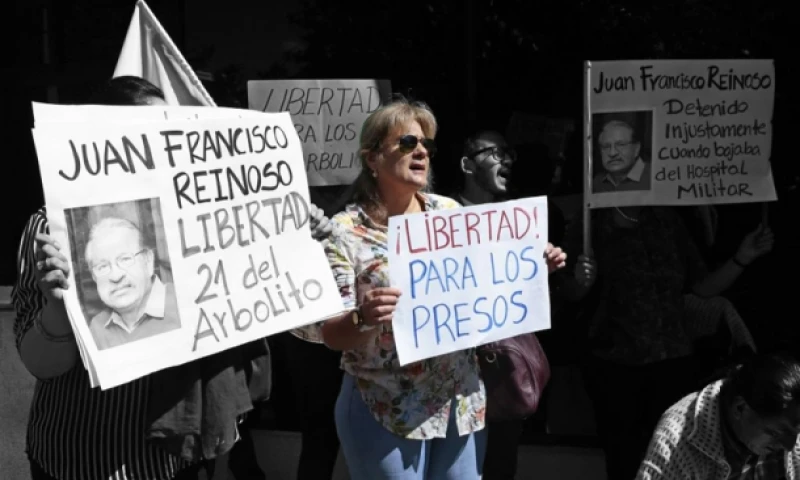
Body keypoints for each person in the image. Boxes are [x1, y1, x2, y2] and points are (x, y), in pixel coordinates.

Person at [13, 75, 334, 480]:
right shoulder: (54, 227)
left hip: (174, 459)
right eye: (141, 131)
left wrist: (296, 245)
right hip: (80, 454)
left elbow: (267, 306)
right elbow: (38, 362)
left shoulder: (204, 218)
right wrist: (59, 306)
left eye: (165, 129)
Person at [303, 98, 567, 480]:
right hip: (385, 405)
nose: (422, 151)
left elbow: (491, 288)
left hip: (460, 402)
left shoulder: (450, 214)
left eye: (427, 144)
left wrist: (532, 268)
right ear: (372, 158)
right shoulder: (345, 232)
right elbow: (330, 334)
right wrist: (364, 317)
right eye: (408, 143)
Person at [556, 203, 775, 480]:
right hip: (614, 365)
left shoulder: (667, 218)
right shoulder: (590, 221)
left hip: (673, 363)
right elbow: (566, 291)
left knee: (676, 456)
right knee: (624, 461)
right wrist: (581, 282)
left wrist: (742, 257)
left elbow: (701, 286)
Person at [637, 351, 800, 479]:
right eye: (774, 433)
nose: (790, 445)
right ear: (740, 408)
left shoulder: (791, 415)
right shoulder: (676, 442)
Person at [84, 217, 180, 350]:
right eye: (102, 266)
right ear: (94, 277)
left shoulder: (183, 302)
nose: (116, 276)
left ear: (148, 261)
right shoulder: (97, 328)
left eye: (125, 259)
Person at [457, 130, 516, 205]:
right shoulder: (444, 211)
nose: (508, 160)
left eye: (509, 154)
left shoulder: (516, 212)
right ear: (467, 166)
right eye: (498, 153)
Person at [592, 119, 651, 193]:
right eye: (606, 146)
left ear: (636, 148)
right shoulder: (597, 182)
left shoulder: (655, 178)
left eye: (621, 145)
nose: (612, 153)